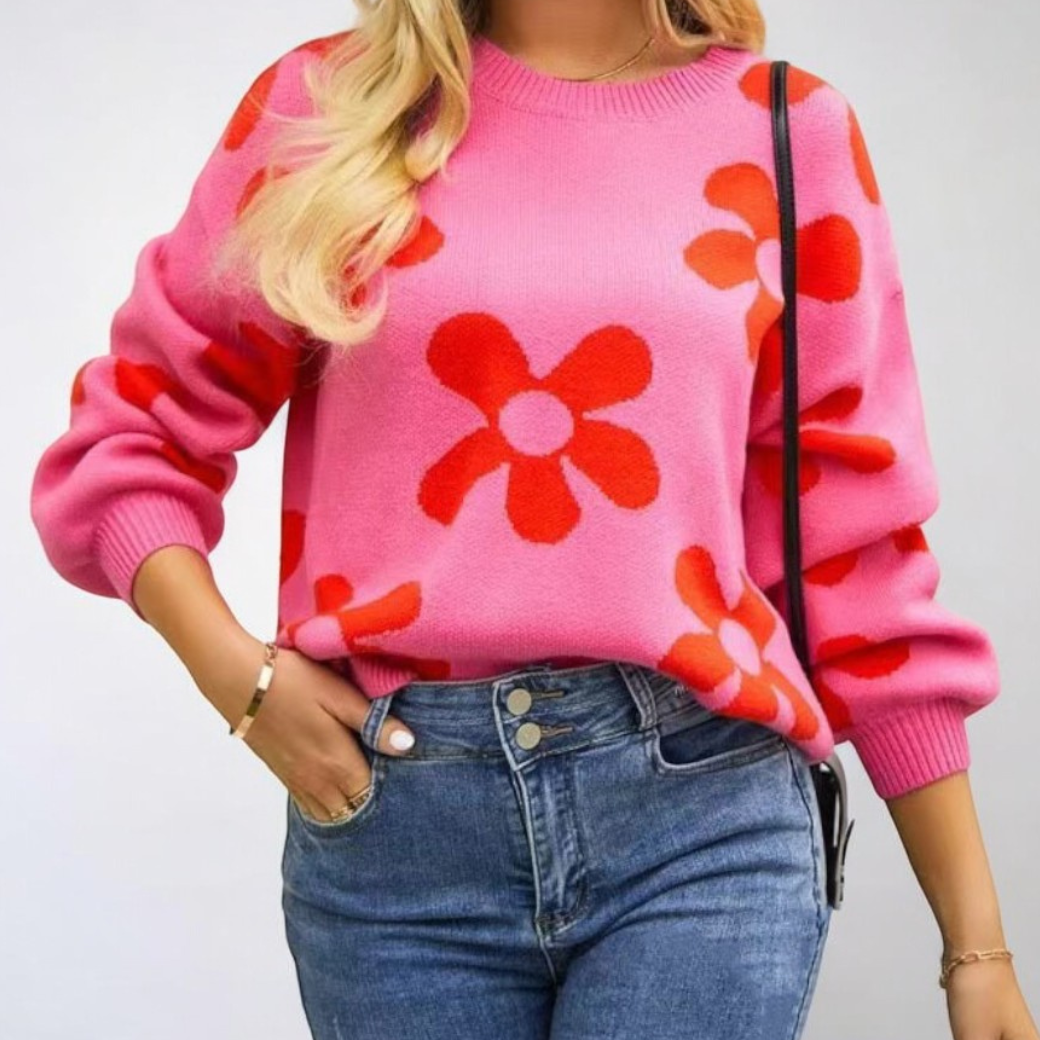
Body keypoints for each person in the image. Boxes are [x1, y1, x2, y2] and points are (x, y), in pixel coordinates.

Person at [28, 1, 1038, 1038]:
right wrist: (236, 681)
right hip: (397, 838)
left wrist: (976, 944)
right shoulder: (327, 110)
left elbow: (856, 558)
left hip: (701, 818)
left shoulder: (786, 132)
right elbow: (131, 436)